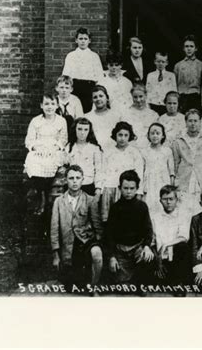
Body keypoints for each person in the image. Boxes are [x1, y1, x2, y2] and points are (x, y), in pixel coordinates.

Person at [50, 165, 103, 295]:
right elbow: (54, 228)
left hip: (86, 243)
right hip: (68, 247)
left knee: (96, 253)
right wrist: (56, 255)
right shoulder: (59, 201)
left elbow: (97, 227)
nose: (74, 181)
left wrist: (98, 245)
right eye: (71, 178)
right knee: (72, 287)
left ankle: (94, 287)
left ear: (82, 180)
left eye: (78, 178)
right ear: (66, 180)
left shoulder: (90, 200)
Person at [106, 170, 155, 289]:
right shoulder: (115, 208)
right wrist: (112, 256)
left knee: (150, 258)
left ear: (137, 188)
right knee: (119, 285)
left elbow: (148, 230)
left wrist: (147, 246)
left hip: (137, 248)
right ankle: (126, 281)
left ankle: (139, 283)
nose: (128, 192)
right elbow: (109, 234)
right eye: (125, 188)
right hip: (120, 250)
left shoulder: (142, 206)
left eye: (132, 188)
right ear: (120, 188)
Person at [24, 94, 67, 215]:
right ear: (41, 105)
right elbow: (30, 140)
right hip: (39, 150)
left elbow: (63, 139)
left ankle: (45, 195)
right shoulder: (35, 121)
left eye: (52, 104)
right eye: (46, 104)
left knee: (52, 162)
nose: (49, 107)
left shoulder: (61, 121)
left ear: (57, 105)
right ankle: (41, 194)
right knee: (33, 161)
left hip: (54, 151)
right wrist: (37, 148)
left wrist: (53, 148)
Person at [100, 121, 144, 223]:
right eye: (120, 135)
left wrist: (139, 192)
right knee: (110, 219)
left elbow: (139, 173)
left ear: (130, 136)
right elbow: (102, 171)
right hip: (110, 189)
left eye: (126, 135)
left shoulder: (134, 152)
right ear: (115, 135)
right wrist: (101, 190)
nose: (122, 138)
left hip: (127, 190)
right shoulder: (108, 152)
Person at [151, 185, 191, 295]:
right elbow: (152, 241)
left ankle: (178, 283)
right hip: (161, 260)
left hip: (177, 259)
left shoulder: (183, 215)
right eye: (165, 199)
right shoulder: (155, 218)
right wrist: (158, 260)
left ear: (176, 200)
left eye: (171, 199)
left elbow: (184, 237)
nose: (168, 202)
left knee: (183, 246)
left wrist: (165, 245)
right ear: (160, 201)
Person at [171, 109, 202, 213]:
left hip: (201, 180)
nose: (193, 124)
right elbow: (175, 162)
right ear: (186, 122)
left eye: (195, 121)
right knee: (184, 210)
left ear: (200, 122)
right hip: (184, 181)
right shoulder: (178, 140)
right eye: (190, 121)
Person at [62, 27, 104, 113]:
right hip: (75, 87)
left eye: (85, 39)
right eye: (80, 38)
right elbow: (66, 76)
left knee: (88, 111)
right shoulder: (71, 56)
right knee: (74, 111)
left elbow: (100, 76)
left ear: (89, 41)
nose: (83, 41)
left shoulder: (94, 56)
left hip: (89, 88)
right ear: (76, 40)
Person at [142, 123, 176, 216]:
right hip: (149, 184)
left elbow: (171, 171)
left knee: (163, 208)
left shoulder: (167, 151)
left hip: (163, 182)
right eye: (152, 133)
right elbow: (142, 170)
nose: (155, 136)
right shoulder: (144, 152)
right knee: (150, 208)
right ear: (148, 135)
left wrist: (171, 188)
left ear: (163, 135)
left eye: (158, 133)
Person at [65, 117, 103, 198]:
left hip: (88, 185)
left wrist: (98, 188)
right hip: (73, 186)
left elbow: (99, 169)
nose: (82, 132)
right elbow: (65, 166)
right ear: (75, 129)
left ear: (89, 131)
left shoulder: (94, 148)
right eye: (79, 129)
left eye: (86, 130)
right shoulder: (69, 147)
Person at [120, 83, 159, 149]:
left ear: (146, 95)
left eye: (141, 96)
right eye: (135, 97)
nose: (138, 100)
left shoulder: (153, 115)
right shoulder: (125, 114)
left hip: (149, 148)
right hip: (131, 147)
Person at [173, 35, 202, 113]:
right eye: (186, 46)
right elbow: (174, 84)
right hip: (182, 98)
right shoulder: (178, 65)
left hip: (195, 98)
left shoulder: (201, 65)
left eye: (191, 46)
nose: (189, 49)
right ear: (183, 48)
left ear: (196, 48)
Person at [84, 85, 120, 151]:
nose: (98, 99)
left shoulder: (116, 116)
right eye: (95, 97)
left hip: (113, 151)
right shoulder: (87, 117)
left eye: (101, 96)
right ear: (92, 100)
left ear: (107, 98)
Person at [98, 51, 133, 118]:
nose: (114, 67)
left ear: (121, 65)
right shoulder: (102, 82)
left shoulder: (127, 82)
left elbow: (130, 100)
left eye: (116, 65)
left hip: (126, 113)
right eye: (111, 65)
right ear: (107, 65)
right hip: (109, 114)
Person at [146, 51, 177, 116]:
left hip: (165, 106)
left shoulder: (171, 75)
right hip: (153, 105)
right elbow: (148, 91)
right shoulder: (150, 75)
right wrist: (148, 105)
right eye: (158, 61)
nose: (160, 64)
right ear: (155, 62)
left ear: (167, 63)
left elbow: (174, 92)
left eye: (163, 62)